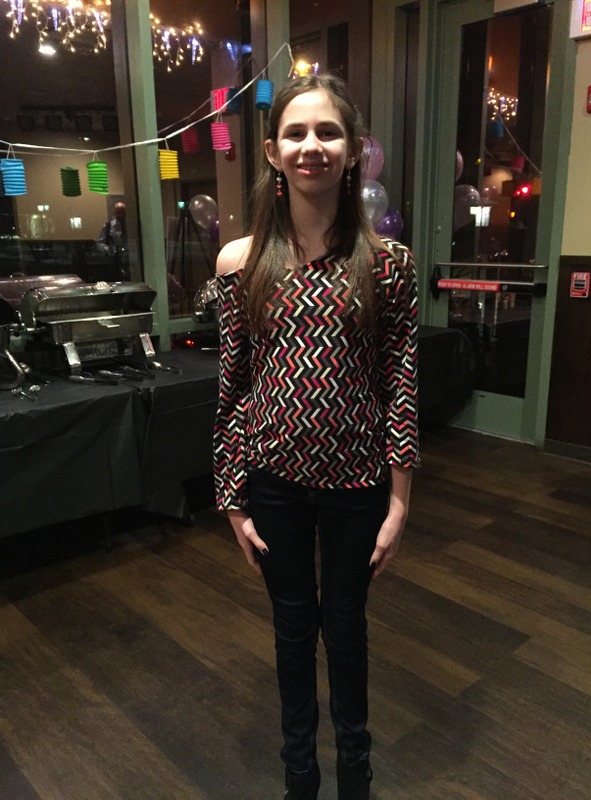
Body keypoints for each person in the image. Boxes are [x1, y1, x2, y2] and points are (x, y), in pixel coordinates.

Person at [213, 73, 419, 800]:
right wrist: (232, 498)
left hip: (358, 485)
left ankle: (355, 772)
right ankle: (300, 775)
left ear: (354, 149)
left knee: (347, 629)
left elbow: (400, 387)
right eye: (295, 133)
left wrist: (400, 503)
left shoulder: (389, 265)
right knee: (292, 631)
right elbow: (234, 390)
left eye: (328, 132)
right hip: (272, 484)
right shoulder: (241, 263)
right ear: (273, 151)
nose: (312, 146)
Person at [95, 201, 129, 279]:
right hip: (113, 260)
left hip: (129, 259)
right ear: (114, 212)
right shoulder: (109, 226)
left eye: (122, 212)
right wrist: (109, 249)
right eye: (118, 212)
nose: (120, 215)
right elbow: (100, 242)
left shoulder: (130, 225)